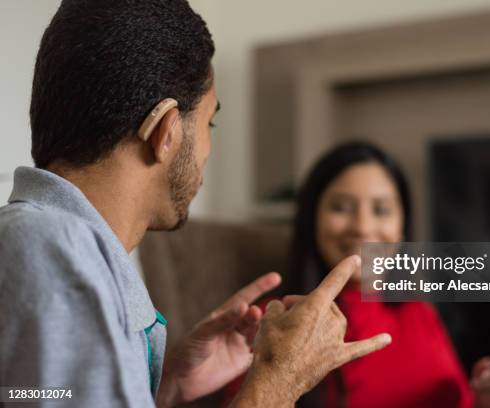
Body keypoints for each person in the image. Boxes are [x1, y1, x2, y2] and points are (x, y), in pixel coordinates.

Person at [0, 2, 391, 407]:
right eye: (210, 123)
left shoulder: (52, 246)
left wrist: (163, 385)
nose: (207, 149)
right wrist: (277, 381)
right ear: (165, 130)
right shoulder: (51, 249)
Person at [228, 141, 490, 407]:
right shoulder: (274, 320)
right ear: (312, 219)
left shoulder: (421, 315)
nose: (363, 226)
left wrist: (486, 399)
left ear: (402, 226)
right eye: (342, 207)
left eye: (381, 210)